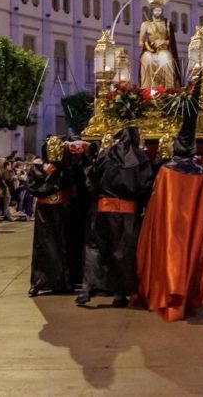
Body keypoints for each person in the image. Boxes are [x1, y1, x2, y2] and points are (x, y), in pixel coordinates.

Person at [136, 76, 203, 321]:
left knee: (170, 254)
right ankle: (187, 292)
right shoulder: (200, 174)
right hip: (191, 230)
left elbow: (155, 207)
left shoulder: (167, 172)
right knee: (190, 253)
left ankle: (170, 293)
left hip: (169, 230)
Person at [78, 127, 153, 308]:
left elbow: (92, 179)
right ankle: (120, 294)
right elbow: (145, 186)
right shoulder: (140, 158)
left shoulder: (105, 154)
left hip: (102, 208)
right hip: (127, 212)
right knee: (123, 253)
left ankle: (87, 287)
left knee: (95, 248)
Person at [26, 137, 72, 297]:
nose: (54, 152)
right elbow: (34, 188)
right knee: (42, 246)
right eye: (51, 148)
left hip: (61, 209)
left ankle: (62, 282)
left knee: (61, 245)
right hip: (44, 211)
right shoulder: (37, 168)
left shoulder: (65, 168)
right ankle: (39, 282)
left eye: (57, 148)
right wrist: (49, 180)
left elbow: (67, 185)